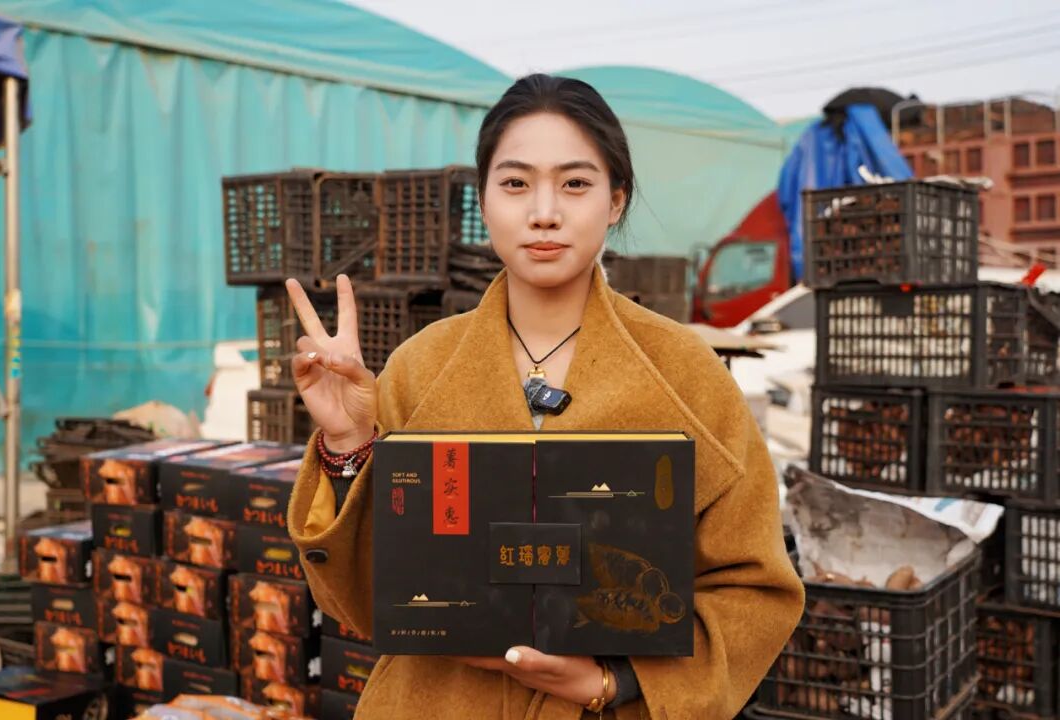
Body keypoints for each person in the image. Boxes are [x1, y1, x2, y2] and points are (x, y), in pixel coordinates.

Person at [285, 73, 804, 720]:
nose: (544, 212)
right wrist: (347, 444)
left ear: (616, 200)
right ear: (484, 200)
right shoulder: (421, 366)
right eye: (515, 183)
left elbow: (755, 590)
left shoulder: (687, 374)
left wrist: (614, 680)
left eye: (576, 183)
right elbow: (362, 603)